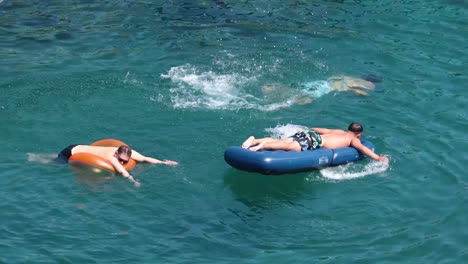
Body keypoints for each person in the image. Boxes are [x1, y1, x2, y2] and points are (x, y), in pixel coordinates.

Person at [241, 122, 388, 163]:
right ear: (359, 134)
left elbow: (319, 129)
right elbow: (363, 149)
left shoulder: (338, 131)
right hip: (315, 140)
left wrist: (305, 129)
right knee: (288, 147)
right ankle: (263, 146)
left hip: (309, 134)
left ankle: (255, 140)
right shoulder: (353, 139)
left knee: (282, 141)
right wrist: (378, 158)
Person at [56, 144, 178, 187]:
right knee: (56, 165)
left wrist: (164, 162)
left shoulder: (127, 152)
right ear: (116, 154)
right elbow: (122, 172)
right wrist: (134, 181)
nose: (122, 163)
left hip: (81, 147)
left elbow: (144, 158)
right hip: (70, 152)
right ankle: (40, 158)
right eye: (120, 160)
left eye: (125, 161)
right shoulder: (112, 156)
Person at [261, 75, 380, 105]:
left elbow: (334, 77)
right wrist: (366, 95)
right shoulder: (356, 84)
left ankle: (274, 88)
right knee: (305, 98)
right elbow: (356, 91)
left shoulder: (346, 76)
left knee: (297, 89)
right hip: (324, 88)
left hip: (320, 82)